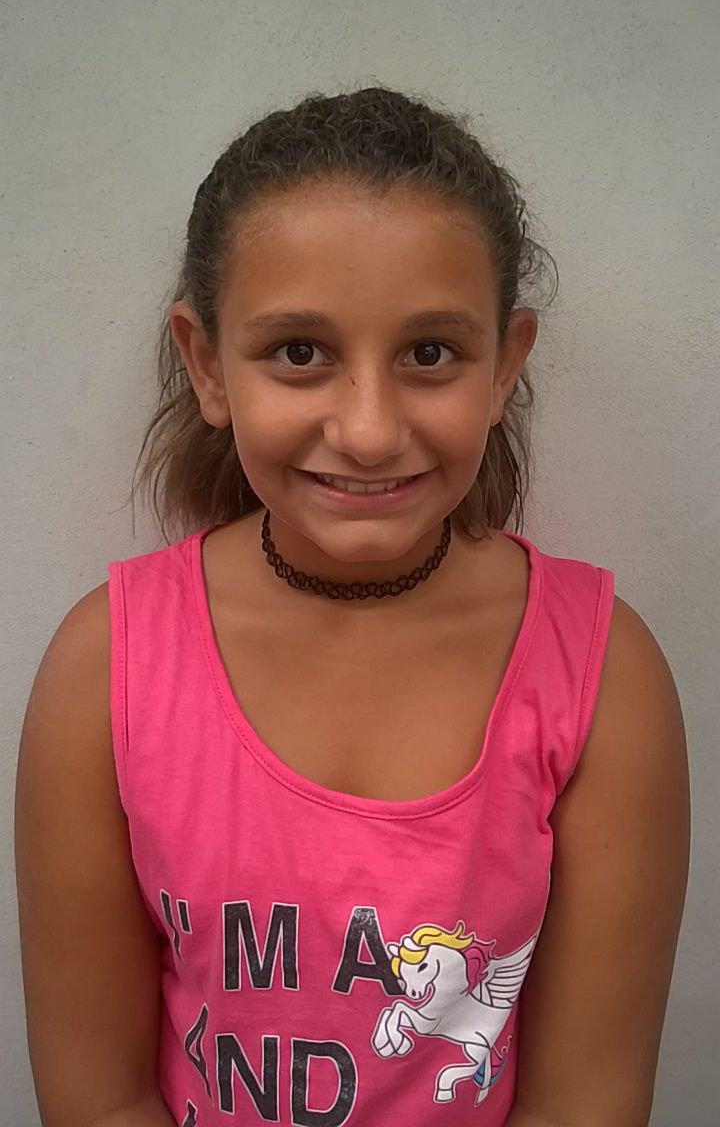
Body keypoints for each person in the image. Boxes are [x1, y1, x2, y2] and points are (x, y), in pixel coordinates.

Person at [15, 85, 690, 1127]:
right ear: (208, 364)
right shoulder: (106, 668)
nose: (369, 431)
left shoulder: (602, 675)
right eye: (300, 352)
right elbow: (101, 1102)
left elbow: (584, 1102)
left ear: (504, 364)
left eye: (430, 353)